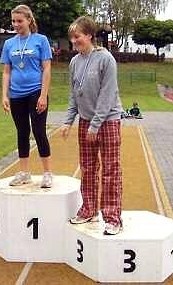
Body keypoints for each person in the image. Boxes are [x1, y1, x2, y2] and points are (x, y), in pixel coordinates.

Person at [61, 16, 124, 235]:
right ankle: (88, 209)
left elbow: (107, 95)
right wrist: (68, 121)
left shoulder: (106, 59)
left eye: (77, 36)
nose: (74, 41)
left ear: (89, 35)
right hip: (86, 121)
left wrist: (95, 125)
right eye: (71, 38)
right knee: (88, 168)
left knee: (110, 170)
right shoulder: (74, 62)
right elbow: (74, 95)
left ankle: (113, 217)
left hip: (108, 121)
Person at [0, 4, 53, 188]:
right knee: (22, 132)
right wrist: (4, 95)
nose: (16, 24)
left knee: (39, 131)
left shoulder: (41, 40)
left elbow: (46, 68)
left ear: (29, 20)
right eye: (13, 21)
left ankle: (47, 173)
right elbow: (6, 71)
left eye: (19, 21)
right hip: (16, 94)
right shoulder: (9, 44)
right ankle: (24, 172)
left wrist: (43, 95)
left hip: (36, 91)